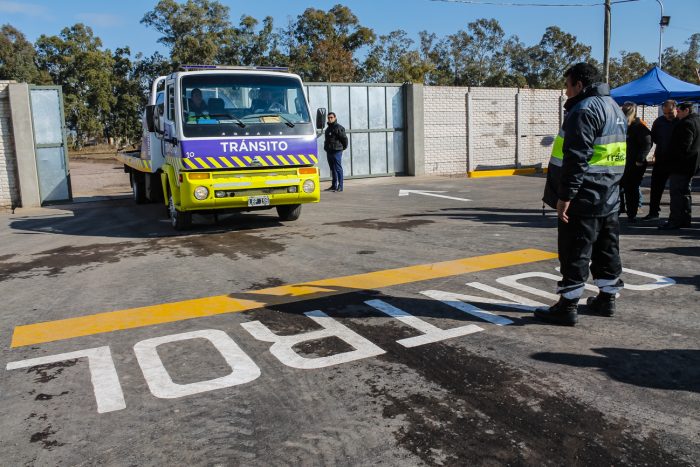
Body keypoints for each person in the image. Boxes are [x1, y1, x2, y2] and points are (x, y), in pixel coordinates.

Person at [536, 62, 626, 326]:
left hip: (584, 195)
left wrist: (566, 197)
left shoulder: (583, 110)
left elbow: (576, 158)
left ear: (579, 85)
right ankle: (607, 299)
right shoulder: (615, 108)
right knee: (606, 249)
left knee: (575, 249)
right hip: (608, 194)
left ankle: (567, 306)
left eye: (567, 85)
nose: (566, 92)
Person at [659, 102, 700, 230]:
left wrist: (672, 159)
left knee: (677, 194)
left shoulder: (686, 124)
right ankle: (685, 219)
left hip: (681, 165)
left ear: (686, 110)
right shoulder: (697, 121)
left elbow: (684, 146)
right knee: (685, 193)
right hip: (691, 165)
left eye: (679, 110)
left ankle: (675, 220)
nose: (677, 113)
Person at [643, 100, 677, 221]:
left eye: (671, 113)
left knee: (676, 190)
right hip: (661, 158)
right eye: (666, 113)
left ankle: (675, 215)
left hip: (675, 160)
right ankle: (653, 212)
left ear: (676, 109)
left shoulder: (681, 122)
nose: (668, 116)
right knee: (656, 187)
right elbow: (654, 138)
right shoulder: (659, 121)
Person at [620, 101, 652, 223]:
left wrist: (639, 159)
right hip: (622, 162)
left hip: (634, 164)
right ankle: (620, 209)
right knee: (619, 188)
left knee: (631, 189)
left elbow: (647, 143)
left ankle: (632, 213)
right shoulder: (622, 126)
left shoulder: (639, 127)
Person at [323, 112, 348, 192]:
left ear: (335, 118)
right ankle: (334, 185)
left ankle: (340, 187)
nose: (330, 119)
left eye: (331, 117)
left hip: (337, 151)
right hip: (329, 151)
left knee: (338, 168)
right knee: (332, 169)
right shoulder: (328, 129)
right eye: (329, 118)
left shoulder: (339, 128)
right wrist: (326, 148)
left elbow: (344, 139)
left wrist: (343, 147)